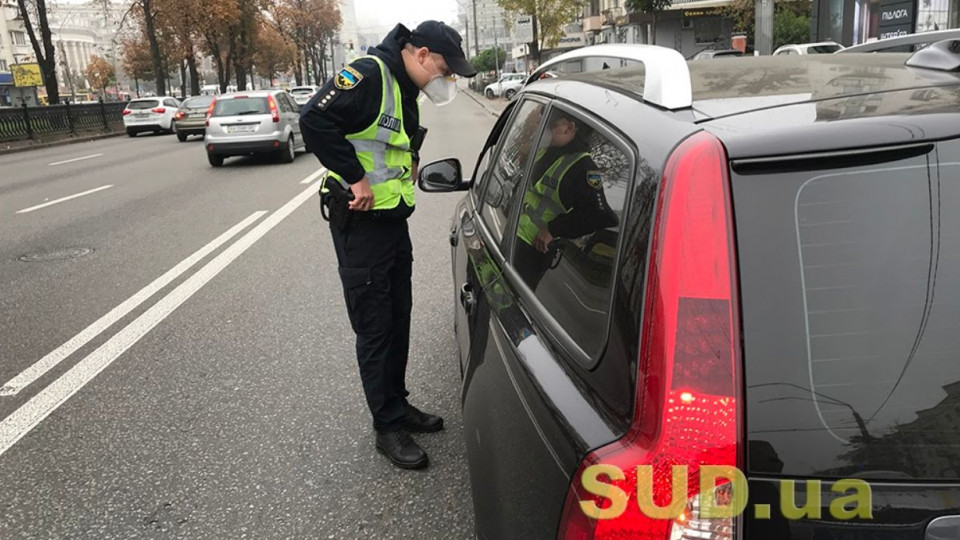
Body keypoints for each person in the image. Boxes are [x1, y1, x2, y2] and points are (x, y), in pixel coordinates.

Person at [299, 21, 476, 470]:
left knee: (398, 319)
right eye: (443, 66)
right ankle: (387, 427)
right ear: (418, 53)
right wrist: (354, 177)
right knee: (376, 329)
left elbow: (393, 134)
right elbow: (314, 118)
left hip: (392, 220)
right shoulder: (369, 73)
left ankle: (398, 405)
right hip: (360, 224)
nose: (446, 77)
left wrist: (413, 154)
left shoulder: (403, 85)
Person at [513, 109, 618, 291]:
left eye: (550, 125)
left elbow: (601, 215)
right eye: (542, 122)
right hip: (513, 235)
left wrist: (554, 229)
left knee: (513, 300)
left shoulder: (583, 168)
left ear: (569, 128)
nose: (542, 128)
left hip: (533, 250)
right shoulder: (546, 151)